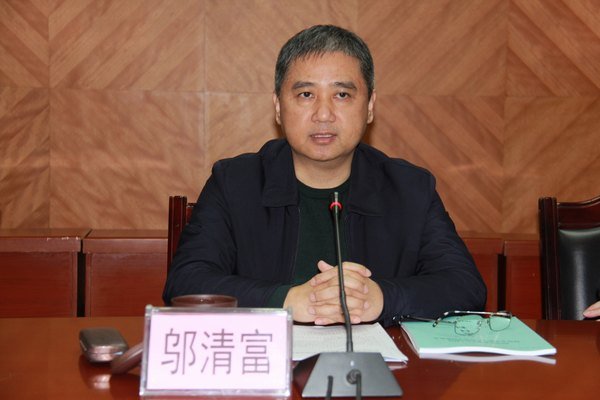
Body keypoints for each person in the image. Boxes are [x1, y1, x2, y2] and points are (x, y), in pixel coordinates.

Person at [163, 25, 487, 327]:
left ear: (370, 106)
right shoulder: (235, 182)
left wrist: (380, 299)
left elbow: (465, 286)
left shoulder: (409, 189)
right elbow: (186, 282)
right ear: (278, 106)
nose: (323, 114)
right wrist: (288, 301)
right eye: (306, 94)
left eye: (342, 95)